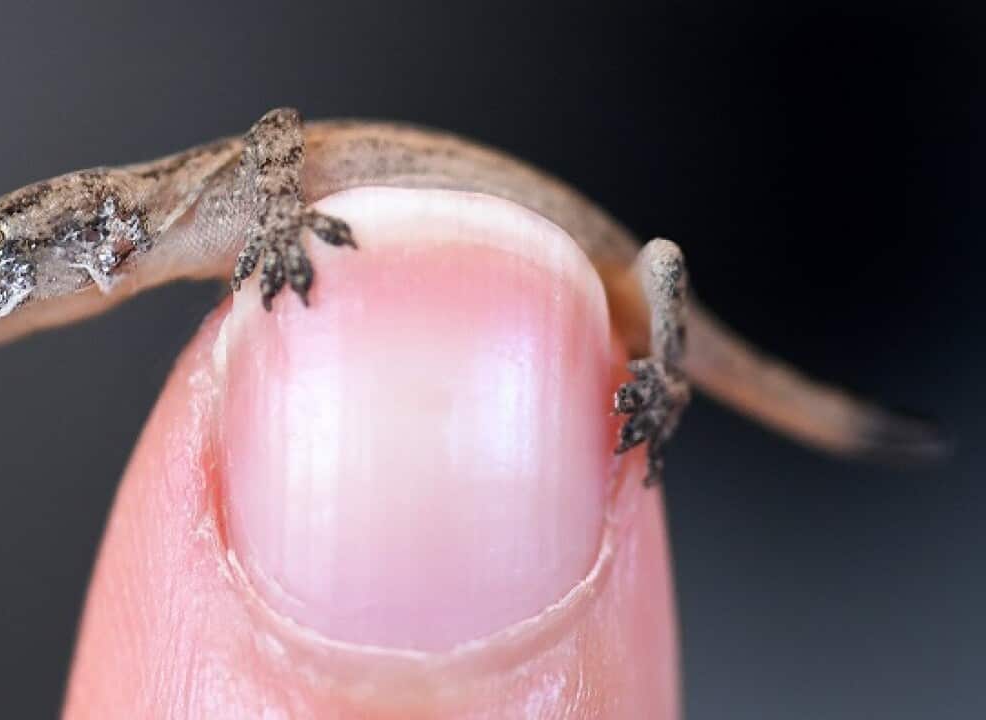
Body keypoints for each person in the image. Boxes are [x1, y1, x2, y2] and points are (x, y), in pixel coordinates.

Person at [63, 189, 678, 718]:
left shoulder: (204, 194)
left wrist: (664, 379)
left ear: (97, 219)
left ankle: (670, 384)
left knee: (661, 268)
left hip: (621, 278)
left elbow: (278, 127)